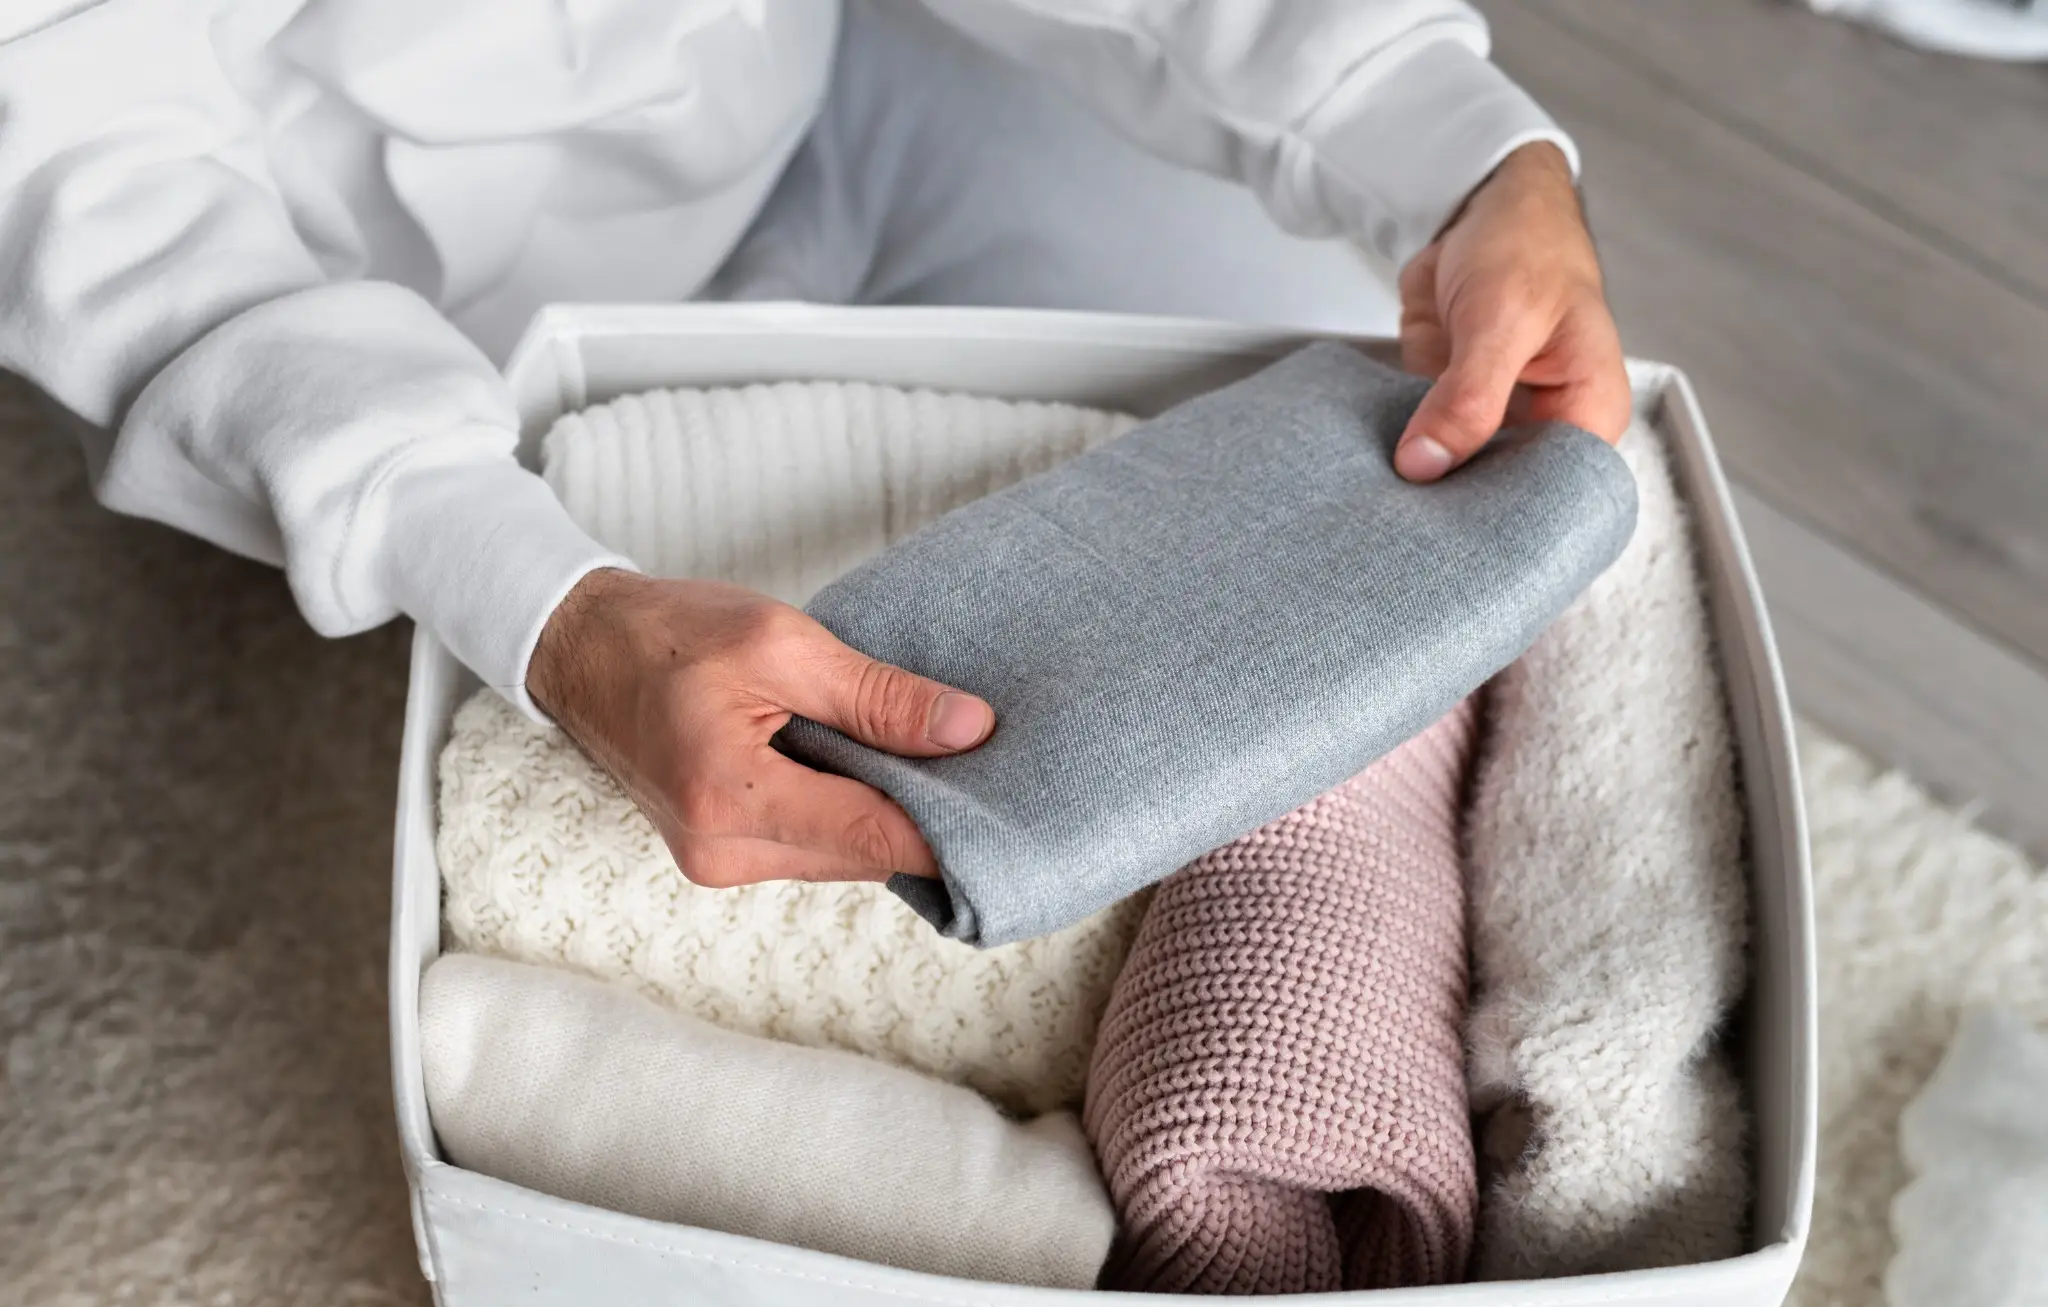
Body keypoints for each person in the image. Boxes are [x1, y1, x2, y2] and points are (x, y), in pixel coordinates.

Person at [0, 0, 1630, 892]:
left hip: (818, 77)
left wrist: (1466, 149)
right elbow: (87, 167)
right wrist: (542, 605)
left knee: (1338, 388)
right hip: (404, 288)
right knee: (672, 765)